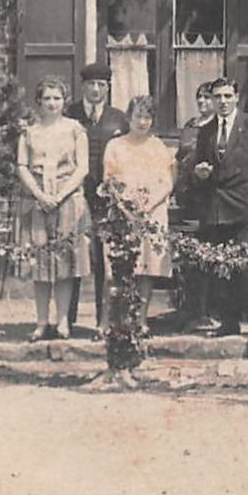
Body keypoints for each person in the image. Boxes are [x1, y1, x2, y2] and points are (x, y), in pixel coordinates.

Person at [183, 76, 248, 354]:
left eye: (227, 96)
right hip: (215, 207)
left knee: (246, 265)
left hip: (244, 205)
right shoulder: (206, 131)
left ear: (237, 97)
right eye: (217, 97)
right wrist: (200, 175)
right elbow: (199, 170)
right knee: (221, 266)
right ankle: (229, 321)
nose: (222, 102)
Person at [17, 76, 93, 342]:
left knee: (64, 263)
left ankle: (62, 321)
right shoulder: (29, 132)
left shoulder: (75, 129)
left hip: (67, 199)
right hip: (37, 200)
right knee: (39, 264)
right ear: (39, 101)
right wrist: (39, 194)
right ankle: (40, 322)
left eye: (57, 98)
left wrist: (60, 195)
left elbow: (82, 167)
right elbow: (22, 166)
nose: (52, 103)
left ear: (64, 101)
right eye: (47, 98)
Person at [99, 95, 175, 336]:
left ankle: (140, 321)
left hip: (151, 215)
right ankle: (107, 323)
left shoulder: (157, 146)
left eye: (147, 117)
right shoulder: (116, 145)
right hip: (122, 215)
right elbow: (109, 179)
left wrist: (149, 205)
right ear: (128, 118)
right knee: (115, 272)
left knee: (146, 269)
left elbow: (167, 182)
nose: (142, 122)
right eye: (138, 116)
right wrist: (127, 207)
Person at [64, 62, 129, 337]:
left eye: (101, 84)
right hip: (75, 194)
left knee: (105, 259)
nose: (95, 89)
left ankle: (104, 322)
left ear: (108, 87)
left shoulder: (119, 119)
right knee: (72, 253)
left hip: (106, 198)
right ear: (84, 86)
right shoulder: (70, 114)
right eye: (91, 84)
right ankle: (67, 320)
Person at [174, 80, 217, 330]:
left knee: (209, 253)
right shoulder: (190, 127)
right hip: (187, 196)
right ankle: (190, 309)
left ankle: (209, 309)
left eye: (207, 97)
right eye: (199, 97)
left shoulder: (216, 127)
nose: (202, 102)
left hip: (208, 197)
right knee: (190, 255)